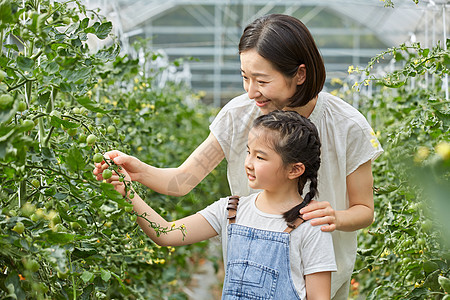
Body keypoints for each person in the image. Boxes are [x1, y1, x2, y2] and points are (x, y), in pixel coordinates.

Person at [94, 14, 383, 299]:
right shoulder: (237, 121)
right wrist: (136, 173)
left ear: (300, 74)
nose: (250, 91)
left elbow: (364, 209)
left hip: (324, 282)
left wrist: (335, 217)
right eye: (245, 77)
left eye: (261, 80)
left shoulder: (348, 125)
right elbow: (181, 184)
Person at [109, 110, 337, 299]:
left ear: (294, 169)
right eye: (249, 152)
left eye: (260, 157)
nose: (248, 163)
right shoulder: (232, 210)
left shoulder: (311, 226)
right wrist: (128, 193)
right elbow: (166, 234)